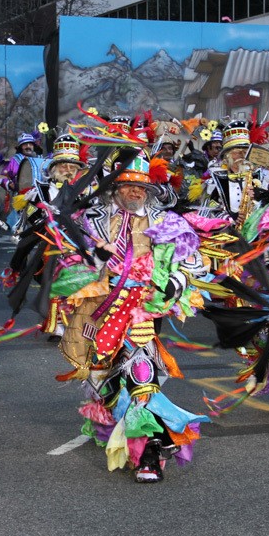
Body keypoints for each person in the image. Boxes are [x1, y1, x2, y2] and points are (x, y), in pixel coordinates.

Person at [57, 152, 209, 483]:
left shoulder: (167, 222)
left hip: (143, 308)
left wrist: (173, 282)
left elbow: (197, 264)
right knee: (100, 377)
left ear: (151, 190)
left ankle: (149, 452)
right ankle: (117, 421)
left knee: (141, 371)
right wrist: (93, 259)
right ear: (115, 188)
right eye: (128, 185)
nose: (135, 192)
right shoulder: (91, 219)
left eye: (142, 186)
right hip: (97, 309)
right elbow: (65, 262)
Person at [11, 133, 86, 342]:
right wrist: (45, 217)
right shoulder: (39, 190)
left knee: (79, 283)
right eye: (64, 166)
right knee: (55, 282)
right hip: (50, 243)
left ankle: (75, 322)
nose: (68, 170)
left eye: (73, 166)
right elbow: (28, 216)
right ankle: (57, 324)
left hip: (78, 244)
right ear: (54, 168)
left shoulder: (85, 190)